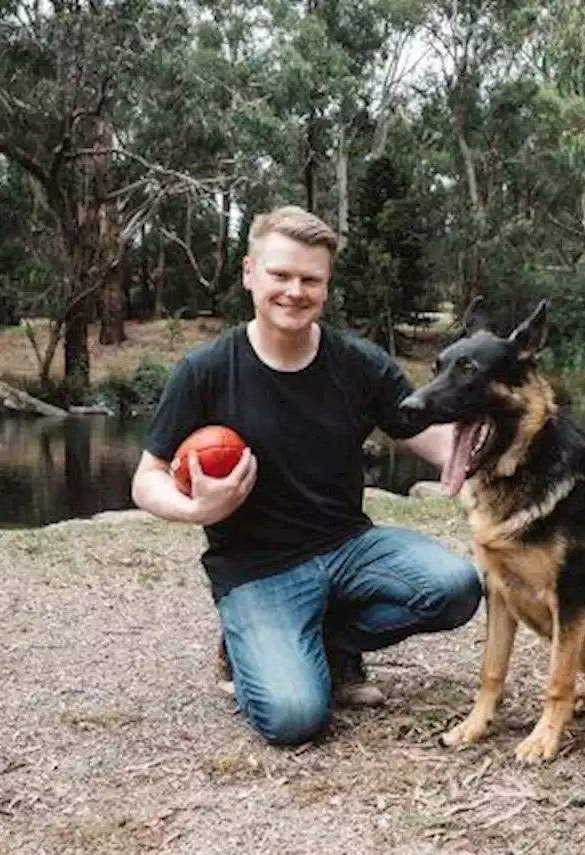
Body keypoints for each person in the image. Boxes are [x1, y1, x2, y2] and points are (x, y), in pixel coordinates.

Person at [130, 205, 483, 746]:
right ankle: (245, 646)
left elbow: (428, 438)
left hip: (348, 547)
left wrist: (489, 450)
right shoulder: (204, 371)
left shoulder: (359, 364)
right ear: (250, 273)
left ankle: (328, 643)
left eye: (310, 279)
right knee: (295, 718)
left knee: (455, 587)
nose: (294, 290)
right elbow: (146, 478)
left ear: (326, 286)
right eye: (280, 274)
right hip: (257, 569)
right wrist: (197, 509)